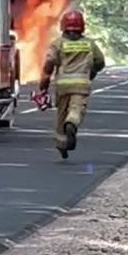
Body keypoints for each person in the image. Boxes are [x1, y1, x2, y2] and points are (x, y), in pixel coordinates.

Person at [39, 9, 105, 159]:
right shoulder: (89, 44)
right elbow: (100, 62)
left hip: (62, 86)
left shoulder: (57, 44)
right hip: (81, 84)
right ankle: (72, 123)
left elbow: (49, 63)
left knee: (61, 114)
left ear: (63, 26)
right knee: (76, 109)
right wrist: (92, 72)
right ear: (82, 26)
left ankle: (61, 144)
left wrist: (44, 83)